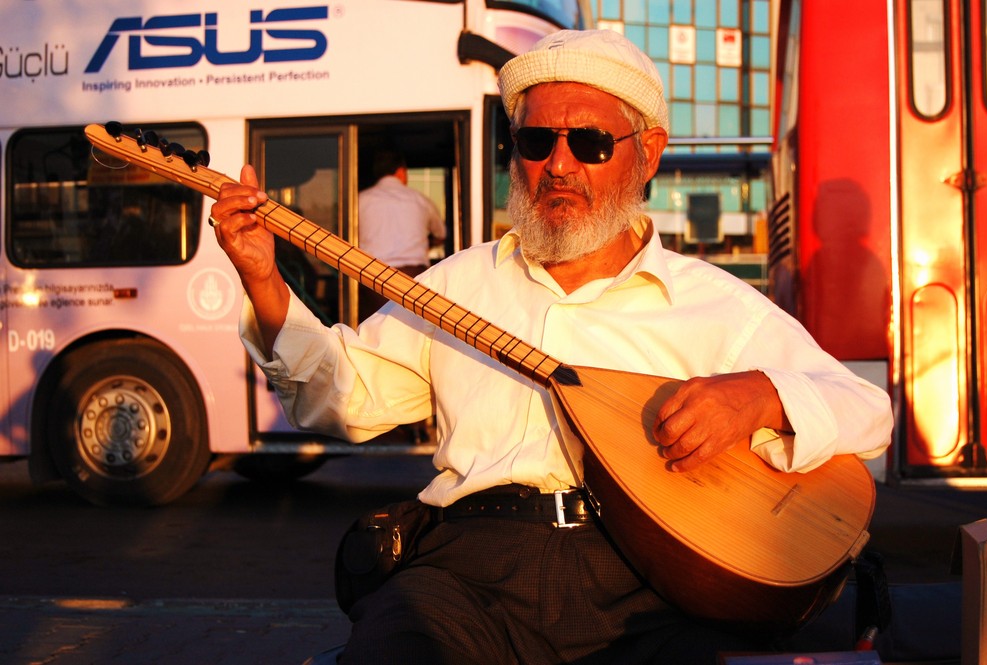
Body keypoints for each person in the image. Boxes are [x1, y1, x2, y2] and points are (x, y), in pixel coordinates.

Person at [209, 29, 893, 665]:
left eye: (590, 142)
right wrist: (263, 278)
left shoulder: (713, 302)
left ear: (647, 152)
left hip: (647, 578)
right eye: (536, 141)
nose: (558, 164)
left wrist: (759, 396)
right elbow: (342, 398)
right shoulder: (458, 285)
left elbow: (867, 410)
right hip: (468, 570)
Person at [356, 149, 446, 322]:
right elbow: (440, 234)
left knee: (370, 335)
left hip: (372, 281)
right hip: (414, 280)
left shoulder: (360, 200)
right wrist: (428, 243)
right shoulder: (420, 200)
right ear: (400, 171)